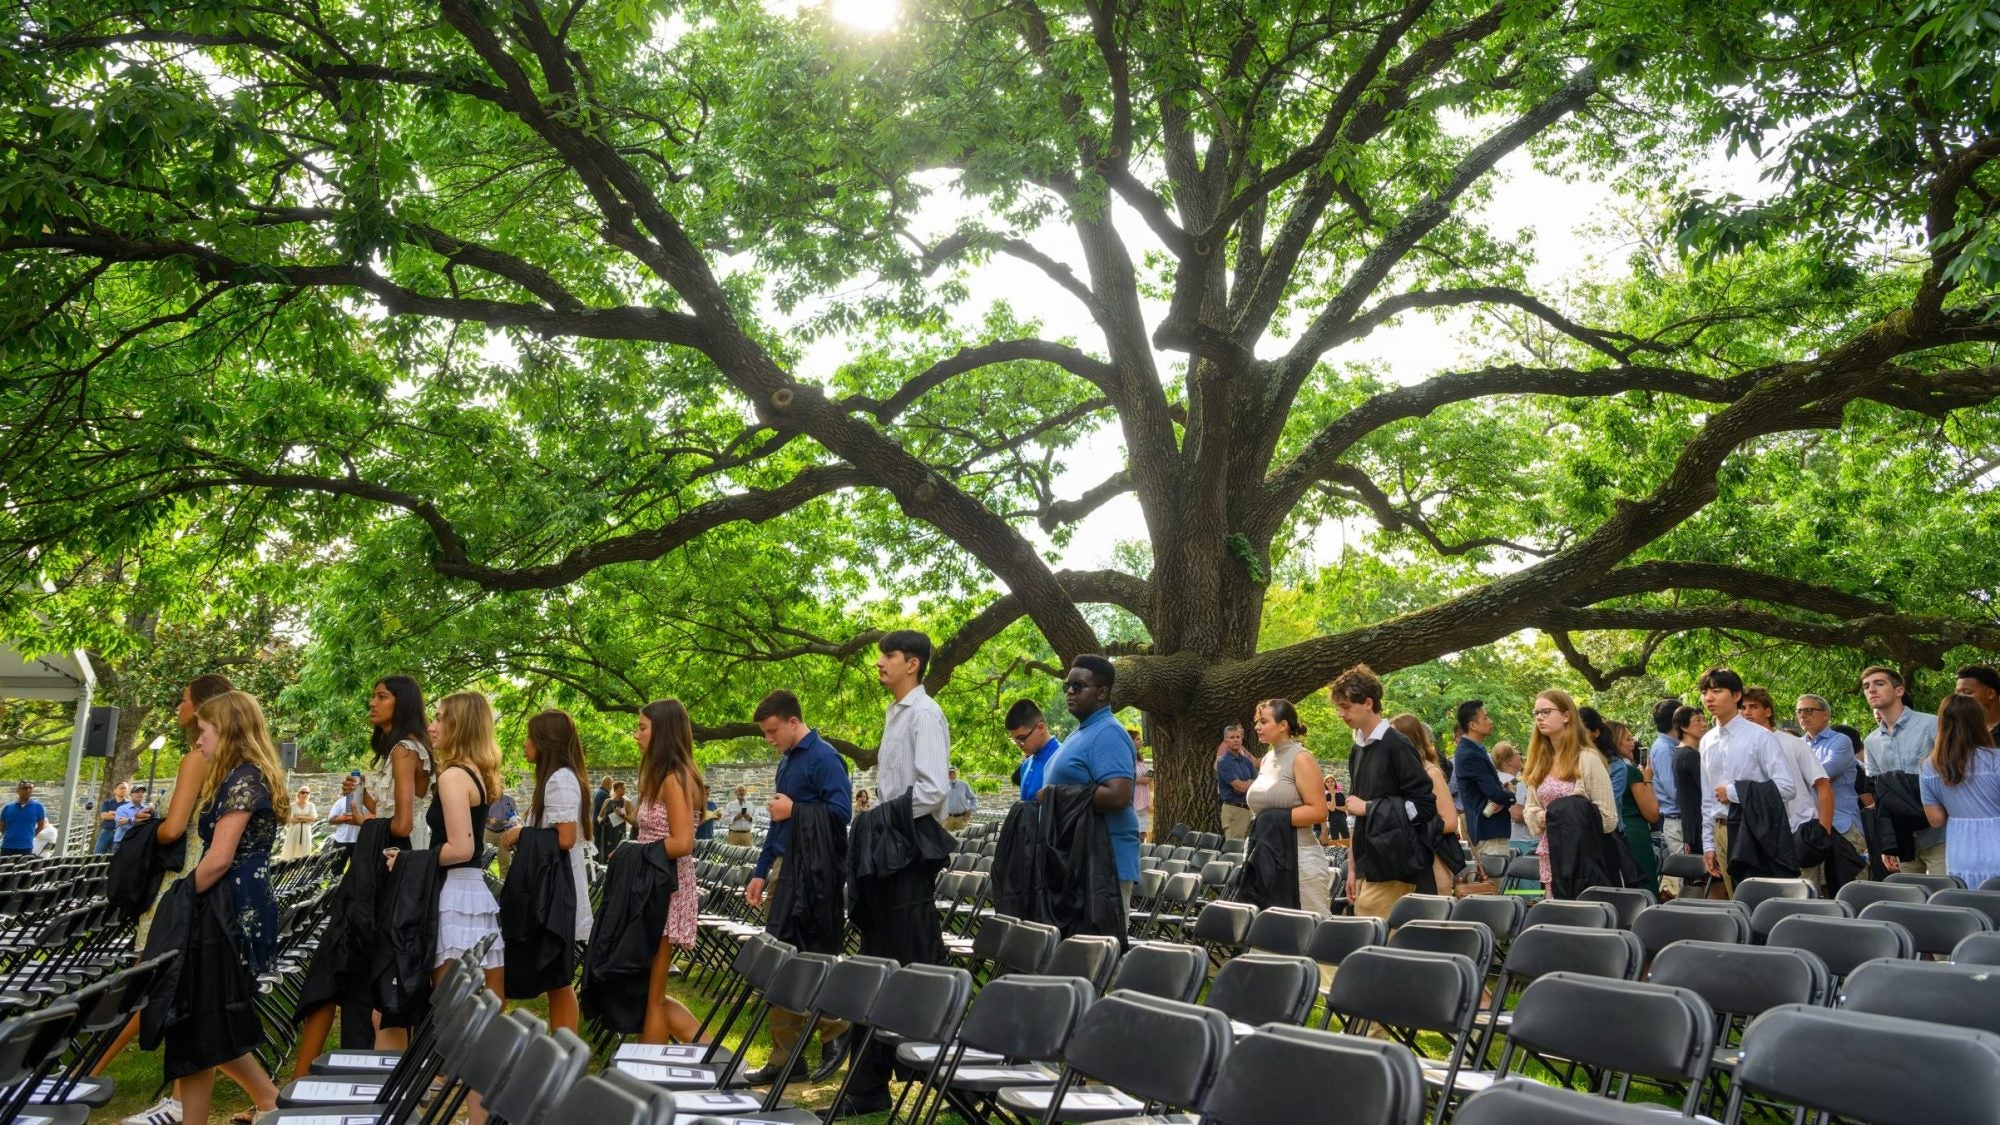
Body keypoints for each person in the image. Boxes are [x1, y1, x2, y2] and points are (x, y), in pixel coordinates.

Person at [109, 674, 236, 1125]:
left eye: (184, 699)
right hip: (203, 870)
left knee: (165, 982)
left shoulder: (195, 758)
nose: (179, 707)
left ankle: (92, 1066)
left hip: (184, 874)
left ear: (202, 707)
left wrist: (148, 825)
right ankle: (183, 1101)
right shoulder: (226, 756)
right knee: (183, 990)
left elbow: (174, 828)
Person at [844, 630, 954, 1117]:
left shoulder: (925, 715)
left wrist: (880, 820)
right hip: (889, 849)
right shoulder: (896, 714)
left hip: (905, 852)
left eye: (887, 656)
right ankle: (869, 1084)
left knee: (911, 965)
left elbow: (931, 793)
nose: (878, 663)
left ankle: (952, 1074)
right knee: (878, 961)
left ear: (912, 663)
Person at [172, 690, 286, 1125]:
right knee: (202, 1022)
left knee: (207, 1017)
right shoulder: (244, 775)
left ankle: (271, 1101)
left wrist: (177, 901)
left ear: (228, 730)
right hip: (232, 901)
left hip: (230, 908)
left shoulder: (243, 778)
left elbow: (219, 858)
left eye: (203, 731)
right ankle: (267, 1101)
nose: (198, 741)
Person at [743, 689, 853, 1085]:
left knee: (815, 955)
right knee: (781, 961)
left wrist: (796, 810)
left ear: (793, 721)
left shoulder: (826, 758)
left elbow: (842, 815)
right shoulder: (786, 762)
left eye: (772, 731)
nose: (769, 740)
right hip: (785, 872)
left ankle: (836, 1034)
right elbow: (776, 824)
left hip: (818, 875)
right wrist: (760, 870)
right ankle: (785, 1057)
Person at [501, 709, 593, 1032]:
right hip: (552, 884)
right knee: (558, 980)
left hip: (556, 888)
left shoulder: (560, 780)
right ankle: (563, 1046)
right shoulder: (554, 779)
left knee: (559, 977)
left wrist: (523, 834)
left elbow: (564, 838)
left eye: (529, 736)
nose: (524, 743)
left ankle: (565, 1050)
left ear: (545, 741)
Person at [1332, 664, 1436, 918]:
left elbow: (1424, 806)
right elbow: (1354, 815)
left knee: (1378, 945)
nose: (1340, 714)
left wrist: (1370, 808)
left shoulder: (1398, 746)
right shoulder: (1357, 749)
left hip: (1396, 864)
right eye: (1339, 708)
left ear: (1368, 703)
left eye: (1346, 707)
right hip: (1368, 864)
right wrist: (1353, 868)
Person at [632, 699, 708, 1044]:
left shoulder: (675, 778)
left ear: (661, 730)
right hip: (653, 882)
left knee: (654, 993)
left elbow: (683, 842)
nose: (636, 735)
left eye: (642, 727)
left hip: (666, 886)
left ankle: (712, 1058)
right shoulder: (663, 774)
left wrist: (635, 852)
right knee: (652, 990)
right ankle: (709, 1058)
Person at [424, 693, 507, 994]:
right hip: (470, 889)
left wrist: (411, 861)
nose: (432, 726)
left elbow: (462, 848)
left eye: (438, 717)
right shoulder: (475, 773)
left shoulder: (454, 776)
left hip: (454, 894)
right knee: (480, 1003)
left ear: (457, 725)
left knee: (450, 1006)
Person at [1042, 655, 1140, 905]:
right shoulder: (1084, 731)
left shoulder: (1108, 732)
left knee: (1097, 944)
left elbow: (1118, 796)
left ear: (1102, 693)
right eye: (1068, 686)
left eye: (1078, 686)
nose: (1070, 692)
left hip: (1103, 865)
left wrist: (1055, 795)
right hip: (1078, 860)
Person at [1699, 667, 1797, 888]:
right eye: (1704, 692)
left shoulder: (1760, 737)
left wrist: (1734, 792)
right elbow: (1707, 797)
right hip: (1721, 829)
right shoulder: (1706, 740)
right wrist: (1708, 844)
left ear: (1736, 695)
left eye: (1717, 690)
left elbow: (1787, 788)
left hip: (1756, 830)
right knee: (1736, 904)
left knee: (1759, 902)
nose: (1709, 698)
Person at [1520, 690, 1618, 897]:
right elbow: (1530, 808)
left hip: (1585, 857)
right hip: (1552, 850)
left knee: (1584, 919)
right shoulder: (1540, 761)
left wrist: (1564, 816)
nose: (1539, 717)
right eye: (1536, 713)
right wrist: (1541, 817)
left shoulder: (1587, 758)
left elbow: (1608, 818)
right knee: (1558, 915)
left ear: (1566, 716)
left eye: (1546, 711)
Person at [1247, 699, 1331, 916]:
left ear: (1283, 725)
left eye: (1264, 721)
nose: (1257, 727)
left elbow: (1319, 811)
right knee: (1269, 929)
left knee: (1309, 930)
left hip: (1299, 857)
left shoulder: (1301, 758)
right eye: (1257, 721)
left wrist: (1272, 819)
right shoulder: (1266, 759)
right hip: (1266, 853)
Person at [1861, 665, 1944, 874]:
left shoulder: (1932, 725)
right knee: (1911, 901)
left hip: (1941, 834)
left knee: (1949, 899)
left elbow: (1954, 776)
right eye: (1866, 686)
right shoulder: (1871, 741)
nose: (1871, 690)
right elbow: (1879, 796)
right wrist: (1887, 843)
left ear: (1899, 691)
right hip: (1903, 839)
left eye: (1879, 684)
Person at [1920, 694, 2000, 891]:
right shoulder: (1996, 760)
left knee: (1970, 909)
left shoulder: (1929, 766)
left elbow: (1936, 820)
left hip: (1959, 850)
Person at [1388, 714, 1462, 894]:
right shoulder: (1401, 773)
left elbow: (1450, 821)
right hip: (1407, 859)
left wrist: (1407, 824)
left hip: (1431, 858)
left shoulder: (1431, 773)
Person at [1449, 700, 1512, 870]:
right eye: (1485, 717)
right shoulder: (1470, 753)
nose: (1490, 721)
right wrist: (1510, 795)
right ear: (1473, 725)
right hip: (1488, 831)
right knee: (1494, 890)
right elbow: (1494, 793)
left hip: (1486, 829)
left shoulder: (1475, 750)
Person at [1606, 721, 1661, 895]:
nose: (1633, 744)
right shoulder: (1630, 772)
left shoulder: (1601, 768)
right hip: (1633, 836)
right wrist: (1648, 779)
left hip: (1611, 835)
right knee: (1642, 889)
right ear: (1614, 742)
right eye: (1628, 739)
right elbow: (1652, 813)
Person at [1004, 700, 1061, 804]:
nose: (1019, 745)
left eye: (1021, 738)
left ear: (1040, 728)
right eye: (1015, 740)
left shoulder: (1062, 758)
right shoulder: (1026, 764)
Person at [1216, 724, 1258, 839]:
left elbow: (1259, 781)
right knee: (1234, 849)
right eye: (1232, 737)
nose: (1235, 740)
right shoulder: (1224, 762)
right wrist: (1247, 784)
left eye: (1238, 737)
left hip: (1249, 810)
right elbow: (1240, 787)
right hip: (1234, 810)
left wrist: (1247, 784)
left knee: (1248, 850)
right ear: (1225, 741)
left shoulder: (1245, 760)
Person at [1491, 742, 1533, 847]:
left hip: (1498, 837)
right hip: (1518, 840)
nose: (1520, 756)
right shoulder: (1515, 783)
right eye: (1517, 753)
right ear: (1509, 761)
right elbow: (1517, 814)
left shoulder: (1494, 781)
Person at [1, 782, 49, 857]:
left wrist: (30, 836)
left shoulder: (38, 807)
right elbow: (2, 826)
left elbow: (40, 826)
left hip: (26, 847)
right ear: (18, 791)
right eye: (25, 788)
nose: (28, 790)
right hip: (7, 846)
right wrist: (8, 836)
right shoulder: (7, 807)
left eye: (30, 788)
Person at [1957, 664, 2000, 745]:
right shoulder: (1960, 731)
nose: (1960, 698)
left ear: (1990, 693)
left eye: (1967, 692)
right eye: (1958, 693)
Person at [485, 778, 519, 876]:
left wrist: (509, 820)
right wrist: (489, 819)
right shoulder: (487, 799)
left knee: (505, 864)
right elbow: (480, 816)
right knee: (483, 861)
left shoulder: (510, 800)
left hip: (504, 833)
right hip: (488, 833)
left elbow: (515, 817)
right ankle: (486, 884)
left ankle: (504, 888)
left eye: (500, 785)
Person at [327, 773, 362, 856]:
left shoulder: (365, 803)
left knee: (357, 868)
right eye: (351, 785)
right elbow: (331, 820)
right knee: (337, 868)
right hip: (341, 840)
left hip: (359, 841)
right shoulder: (340, 802)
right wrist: (344, 818)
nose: (353, 788)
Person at [283, 786, 319, 860]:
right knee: (291, 849)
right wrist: (306, 818)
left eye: (307, 792)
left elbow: (313, 818)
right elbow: (290, 819)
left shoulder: (311, 805)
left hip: (306, 830)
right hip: (294, 831)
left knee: (305, 850)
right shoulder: (292, 806)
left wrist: (299, 817)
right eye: (303, 792)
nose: (305, 794)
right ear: (299, 794)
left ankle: (302, 868)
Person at [1129, 730, 1153, 841]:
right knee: (1134, 834)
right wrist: (1140, 780)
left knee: (1142, 835)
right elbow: (1125, 777)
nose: (1141, 741)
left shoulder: (1139, 757)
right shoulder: (1127, 757)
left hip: (1143, 801)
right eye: (1137, 739)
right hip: (1134, 801)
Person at [94, 781, 128, 855]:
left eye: (125, 789)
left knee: (113, 857)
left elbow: (127, 818)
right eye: (122, 788)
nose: (124, 790)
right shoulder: (107, 803)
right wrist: (120, 815)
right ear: (115, 790)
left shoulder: (129, 804)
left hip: (120, 834)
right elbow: (104, 816)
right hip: (106, 832)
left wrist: (111, 813)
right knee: (97, 855)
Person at [597, 779, 631, 853]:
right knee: (607, 853)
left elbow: (631, 818)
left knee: (618, 852)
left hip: (619, 832)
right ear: (615, 790)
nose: (624, 790)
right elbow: (599, 816)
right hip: (607, 830)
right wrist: (600, 820)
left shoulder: (626, 802)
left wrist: (622, 815)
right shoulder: (607, 801)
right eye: (622, 788)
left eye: (624, 788)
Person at [943, 767, 978, 833]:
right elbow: (939, 801)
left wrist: (969, 811)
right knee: (946, 840)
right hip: (947, 819)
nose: (952, 775)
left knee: (961, 839)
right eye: (950, 773)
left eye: (954, 773)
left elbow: (973, 798)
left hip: (962, 818)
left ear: (957, 774)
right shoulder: (944, 785)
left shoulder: (964, 785)